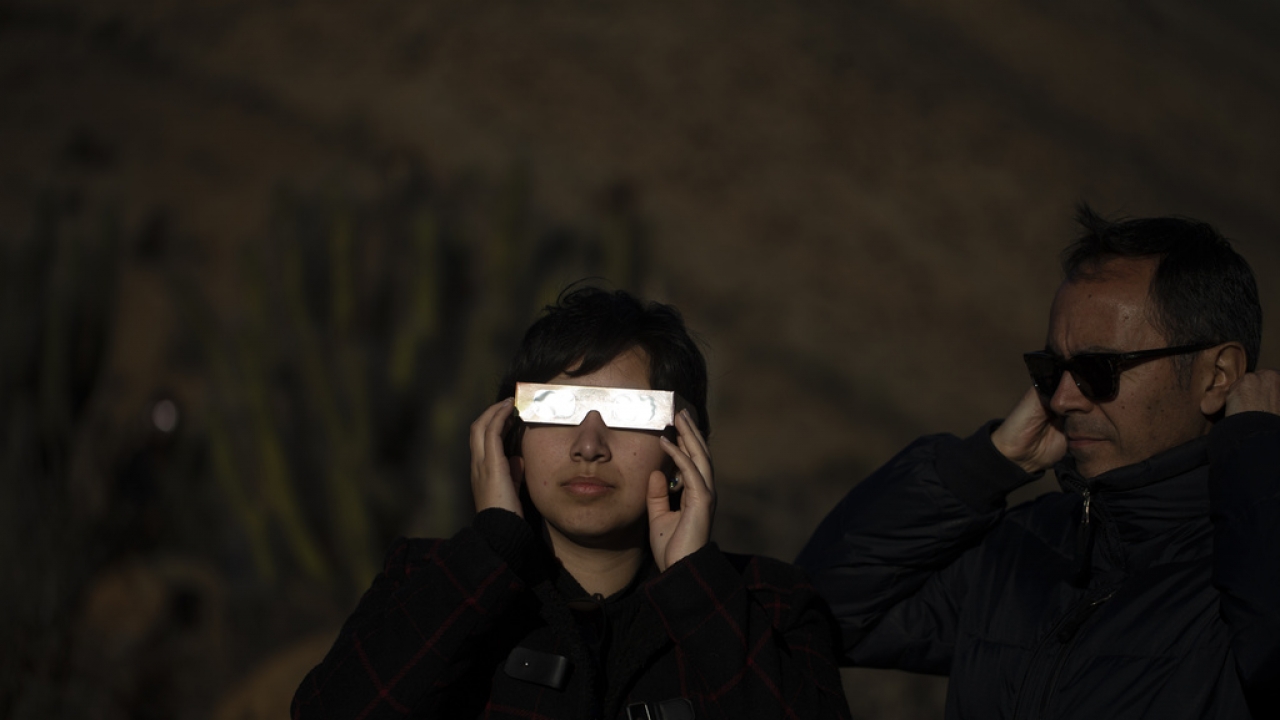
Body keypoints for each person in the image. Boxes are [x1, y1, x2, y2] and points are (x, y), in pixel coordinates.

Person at [797, 205, 1280, 719]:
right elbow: (815, 617)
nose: (1065, 397)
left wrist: (1256, 461)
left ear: (1218, 375)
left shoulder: (1246, 570)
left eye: (1099, 368)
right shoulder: (1027, 548)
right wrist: (985, 465)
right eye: (1052, 368)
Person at [293, 286, 850, 719]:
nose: (589, 446)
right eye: (557, 410)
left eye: (630, 415)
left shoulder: (770, 605)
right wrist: (491, 549)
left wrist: (694, 586)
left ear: (685, 447)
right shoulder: (428, 581)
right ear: (511, 437)